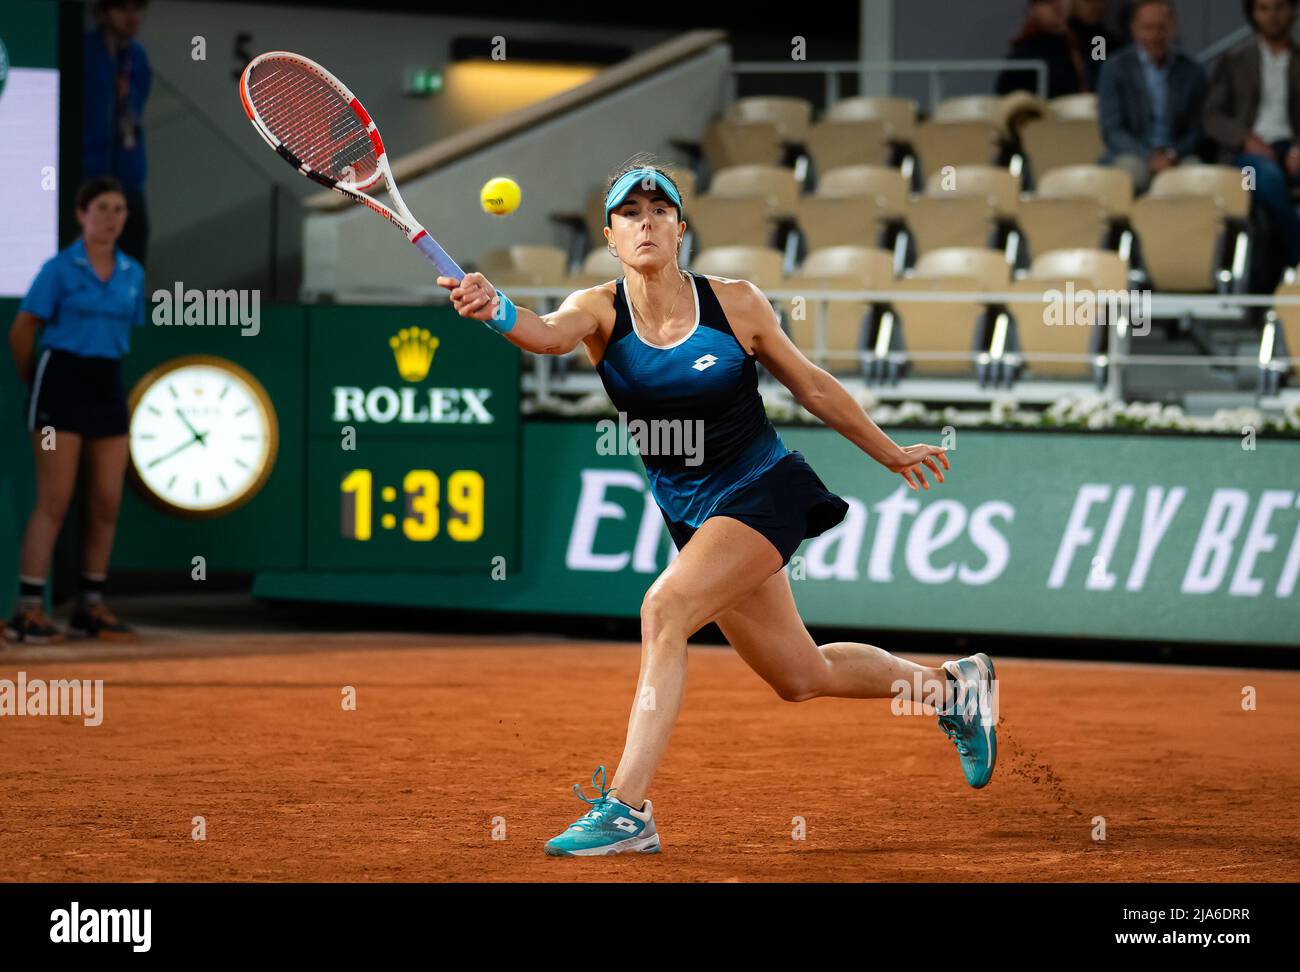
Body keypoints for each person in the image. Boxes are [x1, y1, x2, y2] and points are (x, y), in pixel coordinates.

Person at [438, 157, 999, 857]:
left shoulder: (735, 303)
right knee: (800, 675)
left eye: (659, 211)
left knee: (664, 609)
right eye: (630, 215)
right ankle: (954, 690)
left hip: (763, 488)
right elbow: (543, 332)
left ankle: (627, 810)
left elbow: (814, 387)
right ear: (611, 238)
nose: (646, 223)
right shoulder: (598, 310)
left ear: (680, 228)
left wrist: (888, 452)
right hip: (694, 513)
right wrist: (494, 309)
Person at [4, 178, 144, 645]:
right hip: (60, 382)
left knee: (106, 500)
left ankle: (91, 605)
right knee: (55, 499)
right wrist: (41, 386)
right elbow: (22, 332)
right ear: (81, 215)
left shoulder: (131, 272)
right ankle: (26, 611)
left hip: (107, 384)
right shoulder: (58, 269)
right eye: (102, 208)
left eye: (119, 209)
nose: (111, 218)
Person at [1204, 0, 1300, 270]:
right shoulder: (1234, 60)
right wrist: (1245, 138)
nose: (1273, 16)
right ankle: (1296, 258)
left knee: (1269, 190)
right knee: (1264, 178)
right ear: (1253, 14)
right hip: (1244, 158)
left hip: (1291, 150)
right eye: (1264, 8)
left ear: (1292, 11)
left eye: (1280, 7)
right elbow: (1212, 116)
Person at [1097, 0, 1207, 193]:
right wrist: (1149, 157)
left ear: (1172, 29)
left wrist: (1172, 155)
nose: (1155, 36)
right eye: (1148, 28)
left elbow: (1197, 129)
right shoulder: (1114, 69)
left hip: (1177, 155)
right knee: (1129, 172)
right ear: (1134, 29)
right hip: (1133, 153)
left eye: (1162, 28)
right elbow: (1112, 129)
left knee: (1197, 177)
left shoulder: (1192, 71)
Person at [83, 0, 151, 264]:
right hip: (88, 178)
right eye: (124, 8)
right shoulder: (84, 50)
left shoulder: (138, 57)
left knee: (132, 261)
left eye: (137, 9)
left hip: (129, 179)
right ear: (104, 11)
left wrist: (125, 95)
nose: (131, 17)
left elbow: (135, 111)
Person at [996, 0, 1089, 99]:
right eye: (1046, 1)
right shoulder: (1024, 53)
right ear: (1032, 9)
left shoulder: (1086, 40)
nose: (1057, 6)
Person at [1070, 0, 1121, 91]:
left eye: (1099, 1)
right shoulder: (1064, 34)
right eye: (1088, 2)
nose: (1095, 7)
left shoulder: (1105, 39)